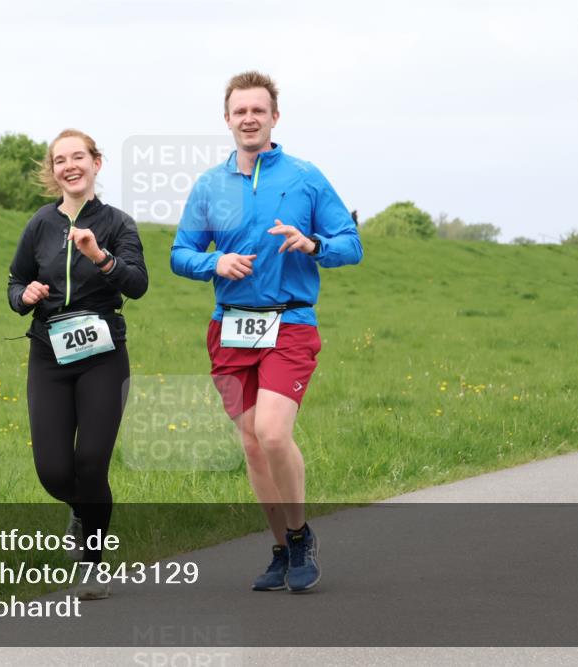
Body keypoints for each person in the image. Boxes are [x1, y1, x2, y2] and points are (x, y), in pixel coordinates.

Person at [170, 71, 362, 593]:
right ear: (227, 119)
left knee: (274, 432)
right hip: (231, 328)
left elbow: (351, 244)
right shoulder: (210, 186)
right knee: (253, 445)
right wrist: (214, 262)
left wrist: (314, 244)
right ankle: (280, 549)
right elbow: (180, 254)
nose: (249, 119)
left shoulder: (305, 177)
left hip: (290, 322)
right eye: (240, 111)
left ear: (275, 117)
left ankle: (300, 535)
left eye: (259, 110)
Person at [8, 129, 148, 599]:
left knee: (90, 463)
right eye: (60, 160)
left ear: (96, 163)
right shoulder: (40, 224)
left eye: (78, 157)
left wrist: (99, 257)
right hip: (49, 353)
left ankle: (92, 564)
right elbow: (15, 281)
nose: (69, 166)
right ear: (53, 170)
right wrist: (24, 296)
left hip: (103, 354)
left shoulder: (118, 224)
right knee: (53, 471)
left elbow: (137, 284)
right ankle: (85, 511)